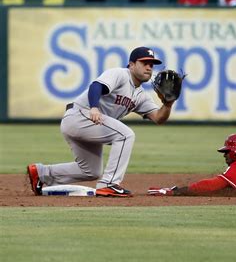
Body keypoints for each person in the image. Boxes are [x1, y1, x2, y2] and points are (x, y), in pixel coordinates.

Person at [27, 47, 175, 197]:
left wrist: (168, 104)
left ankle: (41, 173)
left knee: (91, 171)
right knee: (125, 135)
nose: (149, 67)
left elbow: (158, 118)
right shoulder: (120, 74)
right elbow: (96, 86)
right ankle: (109, 184)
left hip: (90, 124)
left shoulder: (141, 96)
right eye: (145, 63)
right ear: (131, 64)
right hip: (80, 116)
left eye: (152, 64)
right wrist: (94, 107)